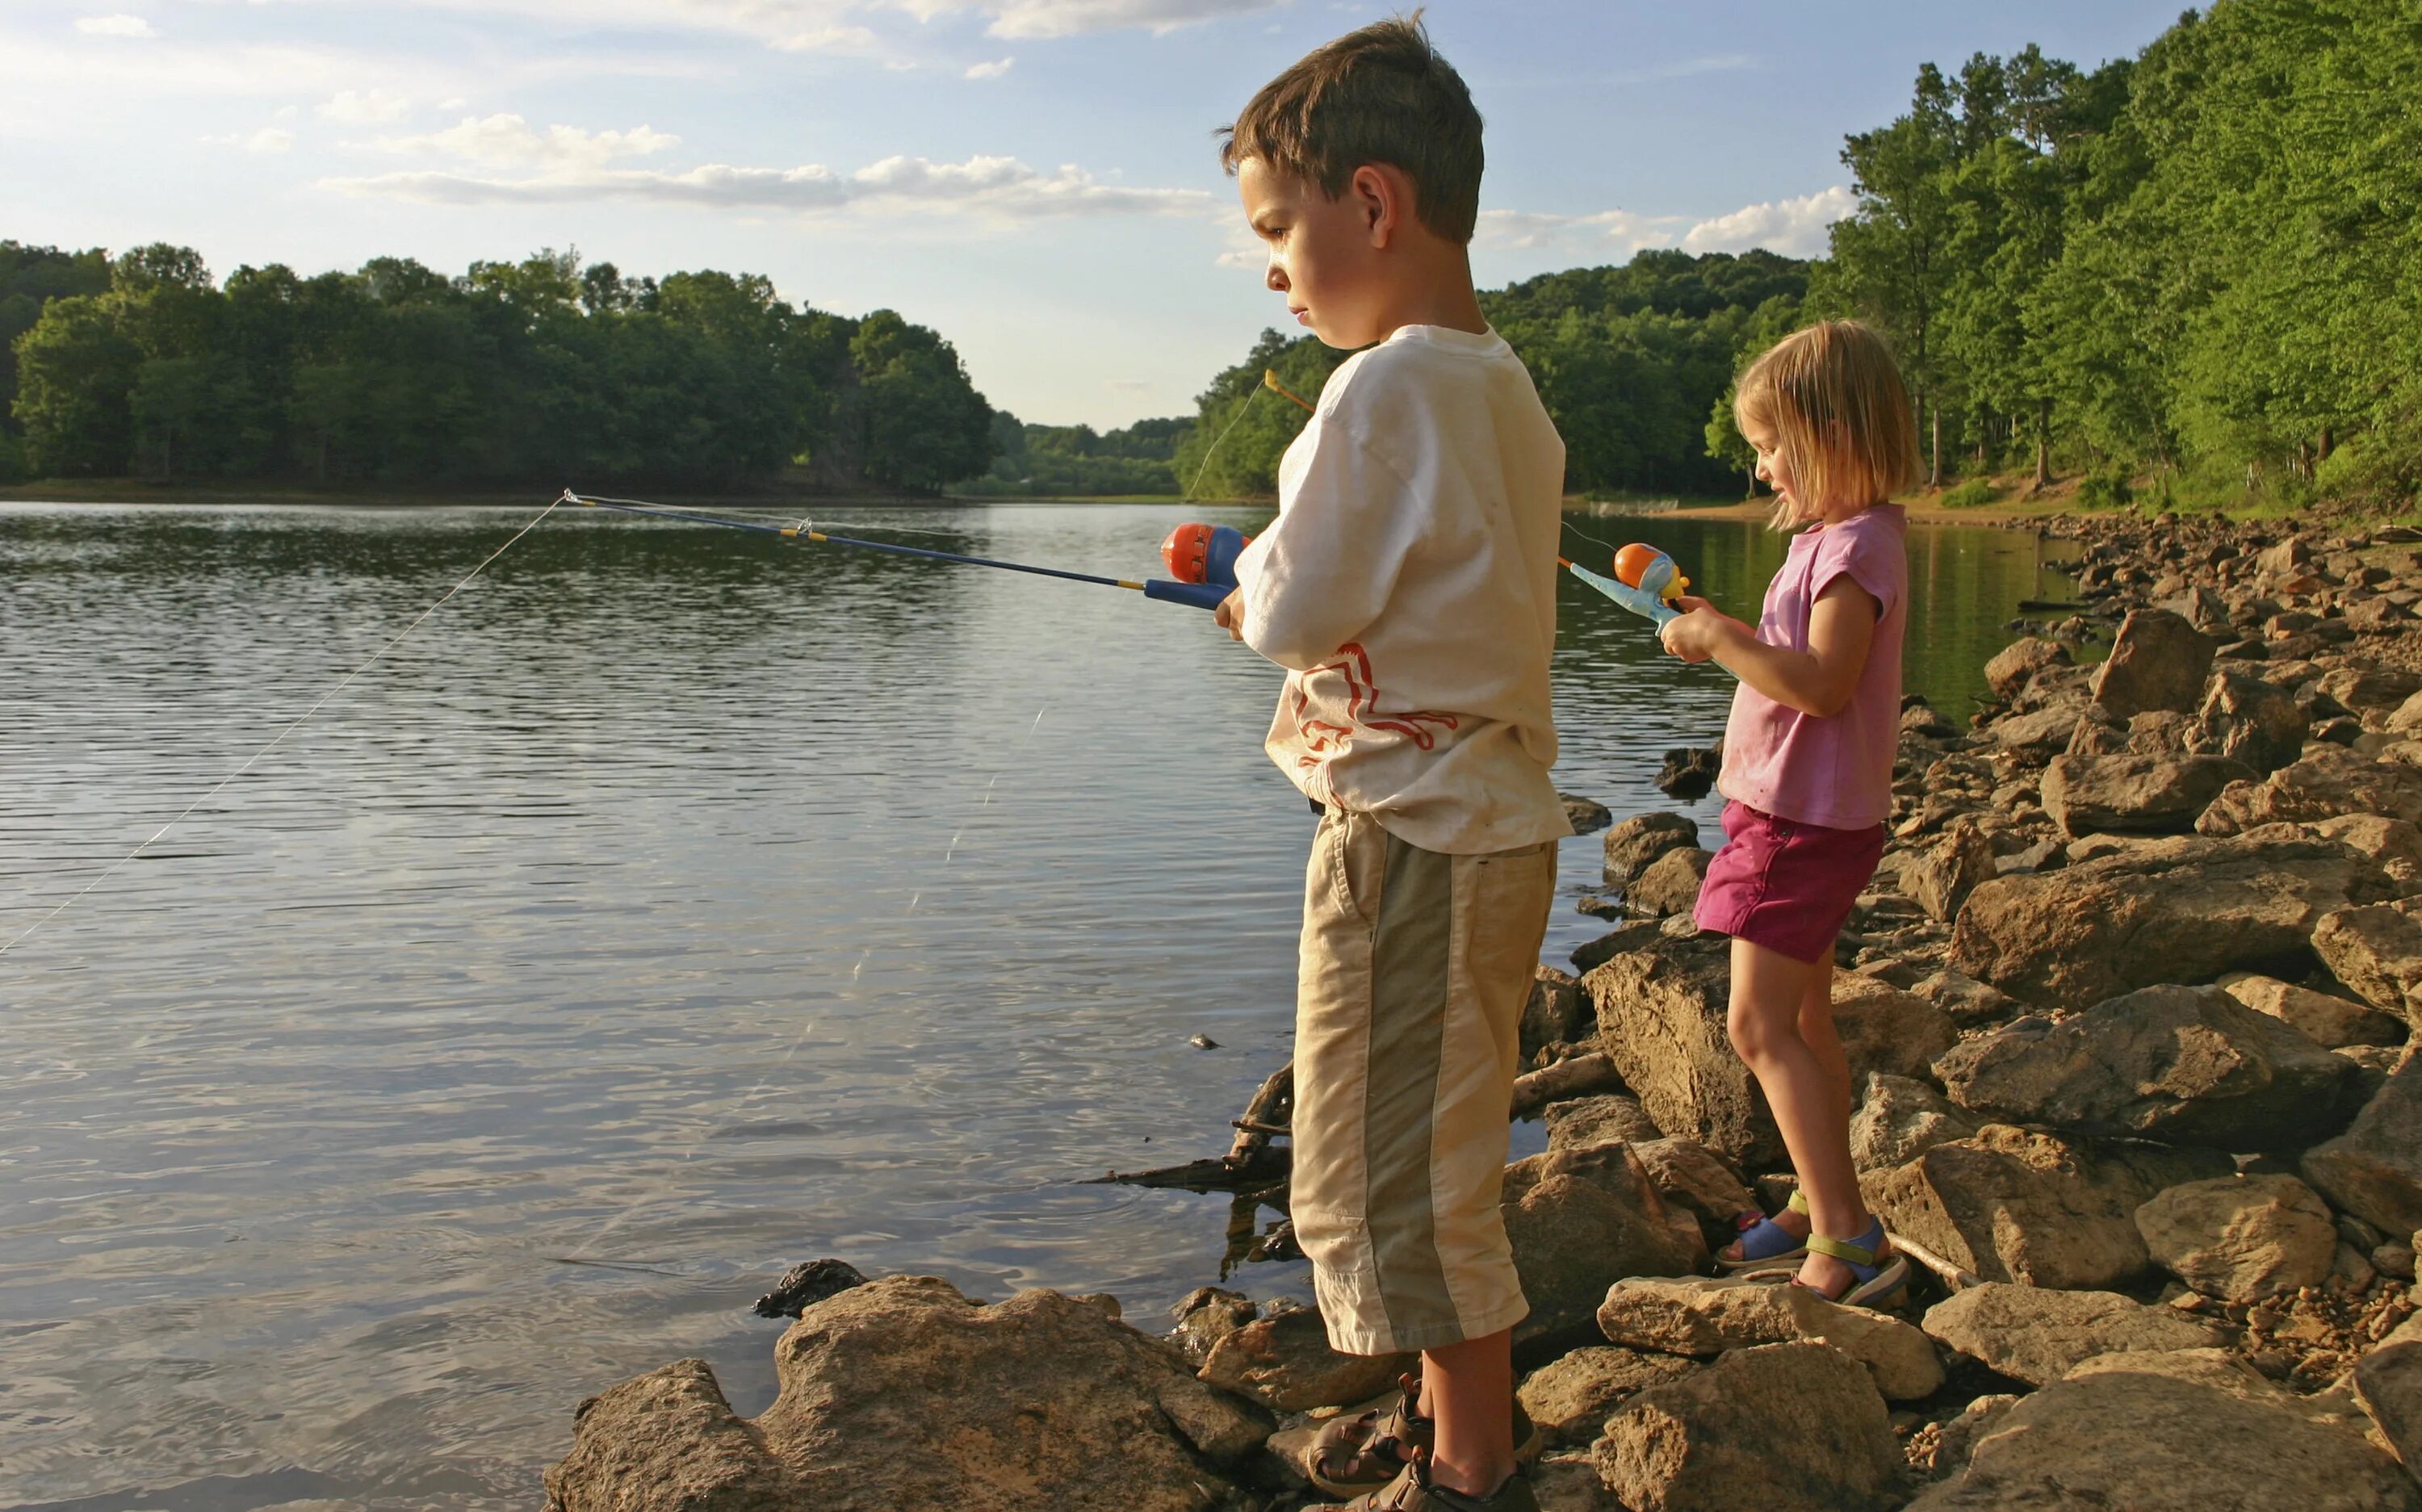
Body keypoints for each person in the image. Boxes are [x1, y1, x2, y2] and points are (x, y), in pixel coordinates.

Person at [1209, 13, 1569, 1511]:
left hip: (1411, 837)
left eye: (1280, 230)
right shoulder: (1504, 387)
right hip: (1487, 819)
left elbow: (1296, 606)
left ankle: (1475, 1471)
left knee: (1377, 1174)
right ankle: (1447, 1426)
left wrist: (1247, 598)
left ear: (1375, 202)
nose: (1275, 270)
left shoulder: (1382, 388)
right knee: (1433, 1136)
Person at [1654, 320, 1921, 1306]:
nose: (1761, 466)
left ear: (1830, 434)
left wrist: (1718, 635)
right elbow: (1798, 658)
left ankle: (1851, 1239)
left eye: (1771, 446)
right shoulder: (1846, 539)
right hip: (1808, 816)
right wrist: (1720, 626)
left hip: (1796, 827)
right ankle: (1819, 1201)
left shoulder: (1854, 552)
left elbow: (1821, 683)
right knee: (1807, 1016)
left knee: (1757, 1026)